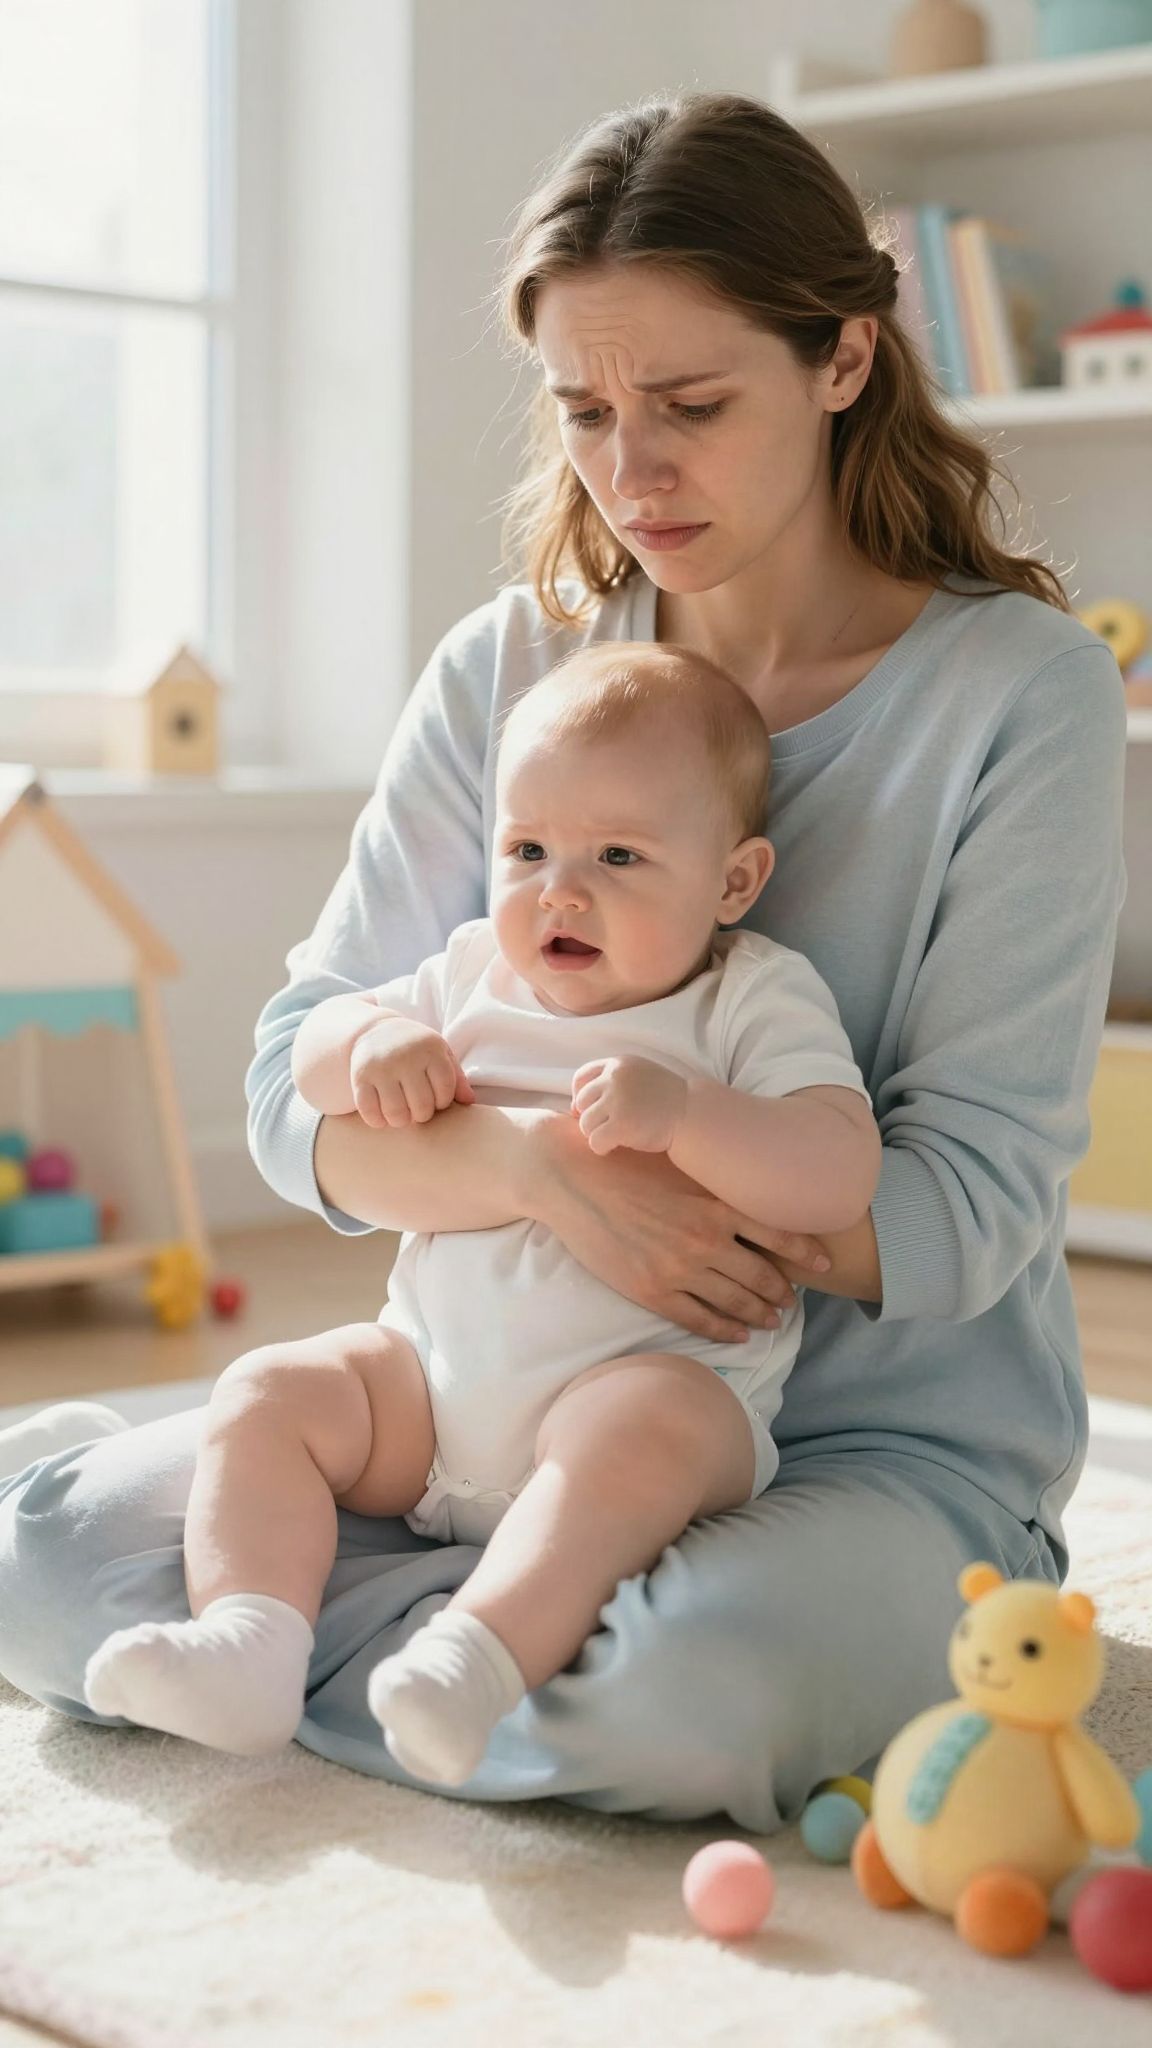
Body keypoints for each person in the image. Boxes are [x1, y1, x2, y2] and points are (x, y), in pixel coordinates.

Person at [0, 90, 1126, 1832]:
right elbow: (299, 1071)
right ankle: (451, 1646)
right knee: (48, 1552)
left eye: (689, 405)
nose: (631, 469)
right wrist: (540, 1172)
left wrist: (664, 1178)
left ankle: (392, 1642)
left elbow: (965, 1203)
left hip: (855, 1453)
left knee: (685, 1697)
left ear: (842, 356)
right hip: (470, 1418)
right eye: (584, 409)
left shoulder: (1015, 696)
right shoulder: (512, 668)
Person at [78, 643, 879, 1779]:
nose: (562, 888)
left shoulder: (750, 996)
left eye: (619, 854)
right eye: (528, 848)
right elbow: (303, 1051)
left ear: (734, 881)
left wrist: (691, 1115)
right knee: (267, 1389)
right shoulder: (467, 977)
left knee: (642, 1424)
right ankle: (248, 1644)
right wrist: (370, 1043)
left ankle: (475, 1661)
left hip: (640, 1391)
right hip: (428, 1403)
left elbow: (838, 1171)